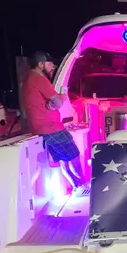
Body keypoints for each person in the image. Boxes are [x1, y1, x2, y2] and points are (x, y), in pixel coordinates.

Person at [21, 51, 88, 195]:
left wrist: (52, 103)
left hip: (41, 129)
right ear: (40, 64)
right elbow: (56, 102)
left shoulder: (28, 79)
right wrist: (62, 97)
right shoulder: (39, 78)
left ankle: (78, 187)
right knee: (74, 155)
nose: (52, 68)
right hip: (51, 128)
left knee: (65, 159)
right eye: (50, 64)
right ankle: (83, 185)